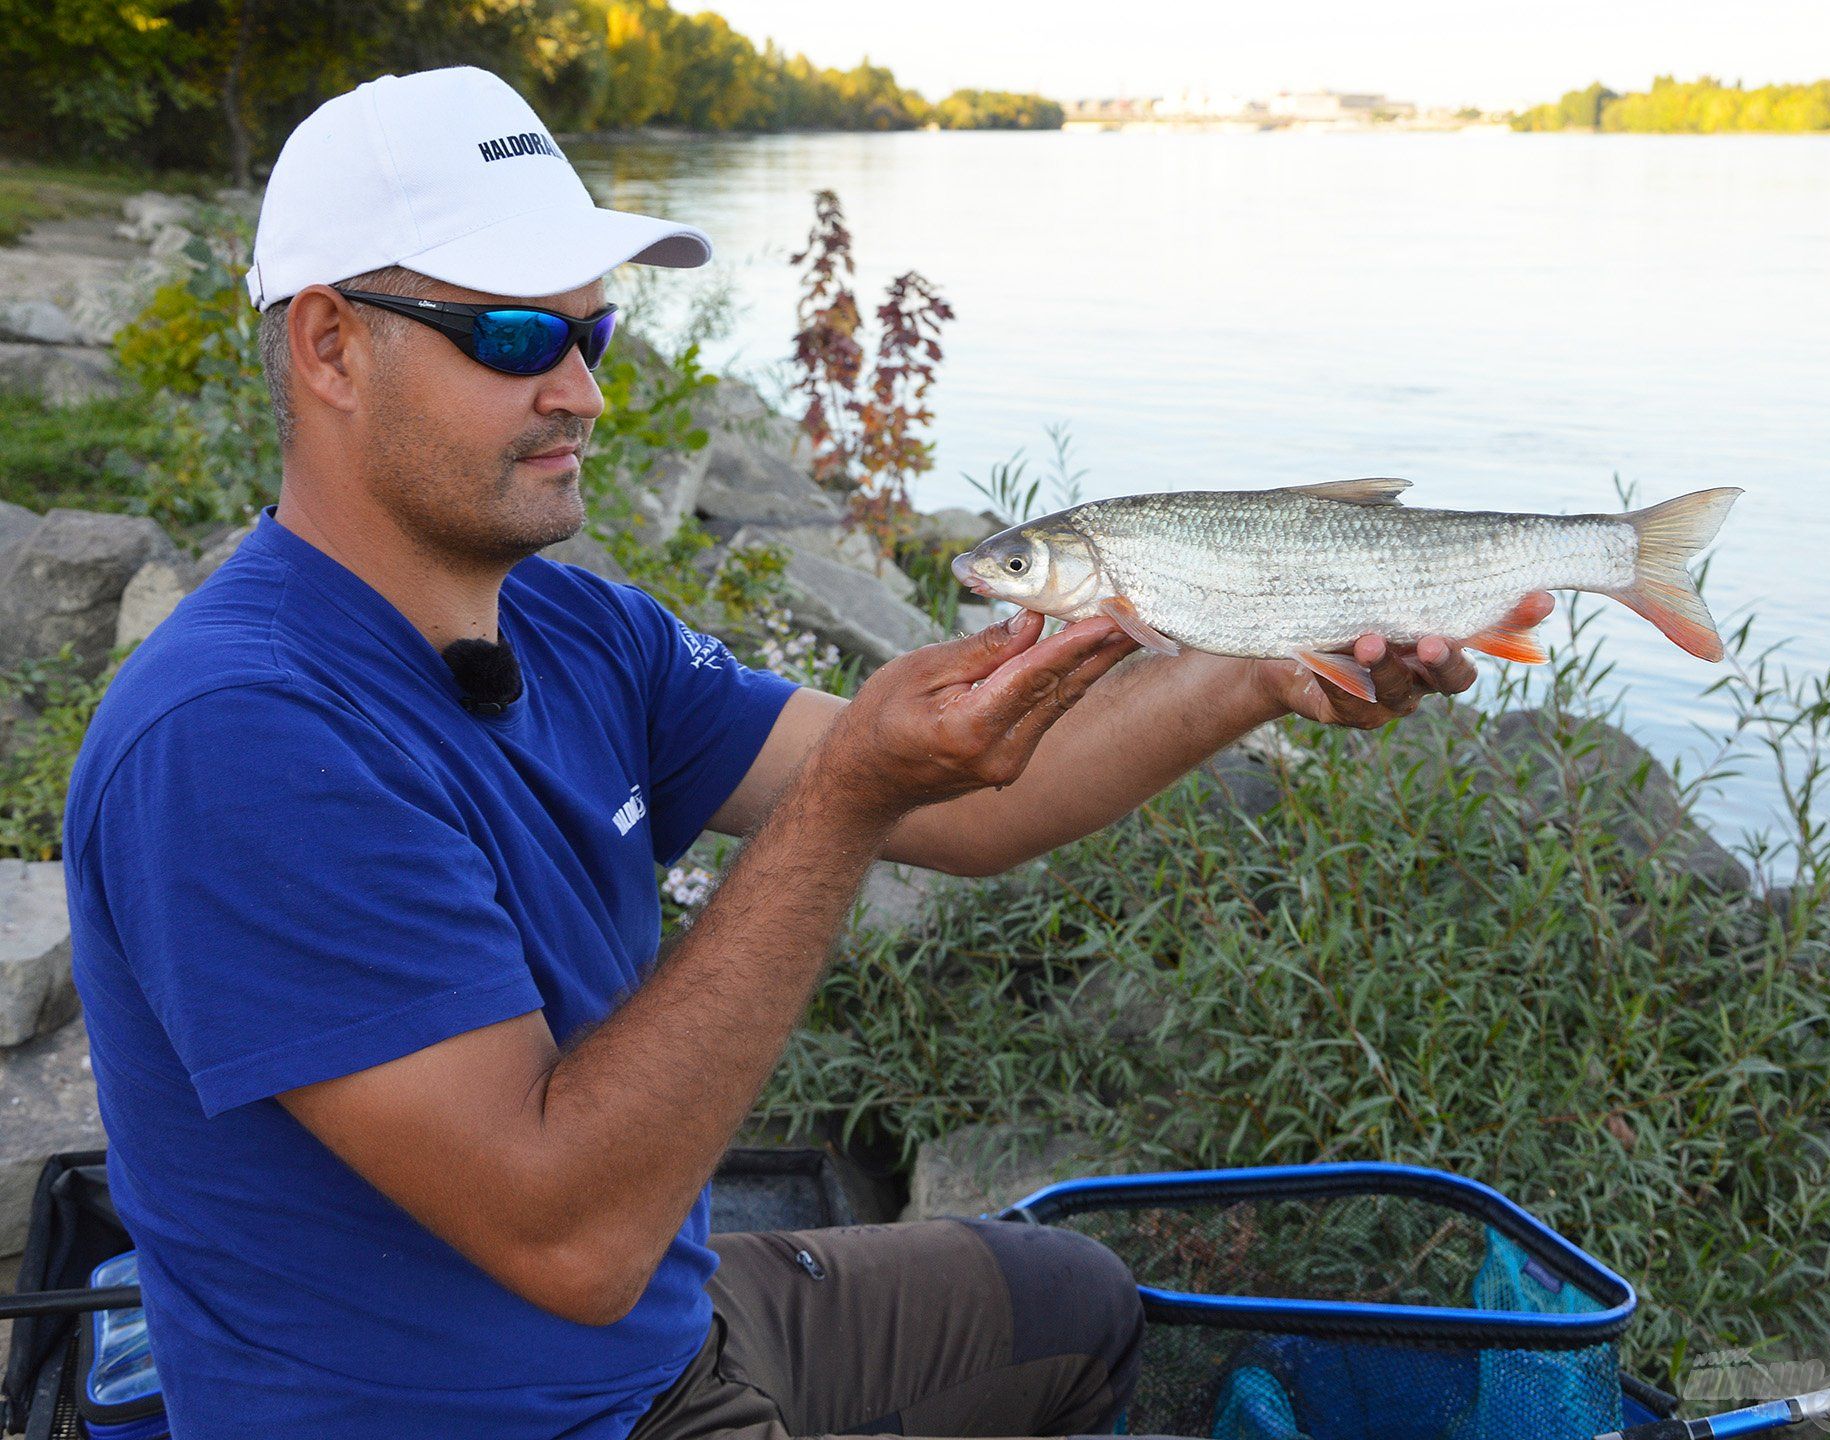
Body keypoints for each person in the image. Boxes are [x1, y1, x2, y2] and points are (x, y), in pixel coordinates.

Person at [63, 66, 1544, 1440]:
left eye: (593, 333)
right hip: (497, 1412)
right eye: (515, 336)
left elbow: (978, 801)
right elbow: (564, 1234)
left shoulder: (584, 632)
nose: (580, 391)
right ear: (330, 343)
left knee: (1075, 1303)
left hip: (660, 1321)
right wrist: (840, 809)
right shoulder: (239, 738)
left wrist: (1260, 678)